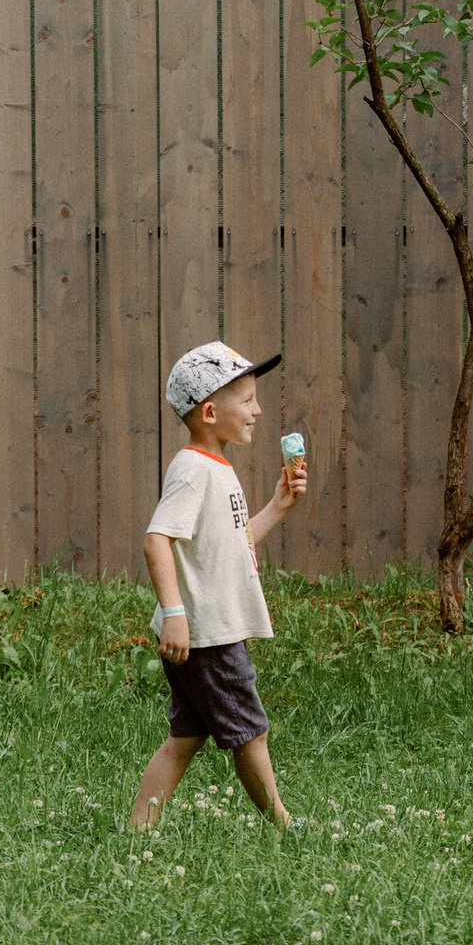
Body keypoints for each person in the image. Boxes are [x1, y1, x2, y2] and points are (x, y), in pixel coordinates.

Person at [129, 341, 311, 831]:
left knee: (185, 739)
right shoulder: (193, 470)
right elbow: (156, 540)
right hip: (207, 634)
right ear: (210, 411)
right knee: (252, 734)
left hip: (204, 630)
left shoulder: (215, 468)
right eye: (247, 400)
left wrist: (277, 507)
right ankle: (283, 825)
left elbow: (233, 542)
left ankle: (137, 831)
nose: (258, 409)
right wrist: (175, 614)